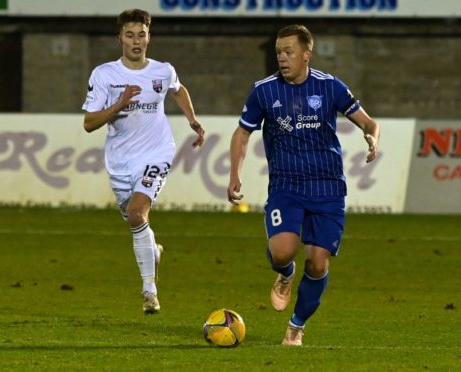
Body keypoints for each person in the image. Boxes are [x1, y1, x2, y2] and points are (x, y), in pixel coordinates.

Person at [227, 24, 379, 345]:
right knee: (283, 253)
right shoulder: (264, 91)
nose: (282, 58)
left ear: (307, 54)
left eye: (289, 52)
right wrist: (235, 173)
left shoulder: (329, 87)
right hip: (287, 186)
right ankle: (284, 274)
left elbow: (368, 122)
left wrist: (371, 137)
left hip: (327, 188)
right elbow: (243, 132)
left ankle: (296, 326)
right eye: (279, 53)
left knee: (318, 261)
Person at [82, 9, 205, 314]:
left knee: (138, 213)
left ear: (149, 37)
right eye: (130, 35)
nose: (136, 41)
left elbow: (178, 90)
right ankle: (154, 251)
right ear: (119, 38)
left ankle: (149, 292)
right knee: (136, 222)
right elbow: (88, 123)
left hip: (157, 153)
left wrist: (192, 119)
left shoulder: (162, 70)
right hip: (120, 162)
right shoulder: (104, 75)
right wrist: (119, 104)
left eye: (141, 34)